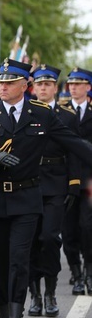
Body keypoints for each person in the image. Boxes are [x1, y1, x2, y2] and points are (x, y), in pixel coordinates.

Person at [0, 58, 92, 318]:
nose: (2, 86)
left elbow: (74, 144)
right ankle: (3, 317)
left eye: (9, 82)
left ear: (24, 85)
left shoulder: (41, 114)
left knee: (19, 260)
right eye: (0, 82)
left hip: (26, 199)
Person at [27, 64, 79, 317]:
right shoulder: (25, 112)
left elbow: (75, 150)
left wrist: (74, 183)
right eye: (39, 84)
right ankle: (34, 293)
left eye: (47, 84)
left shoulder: (67, 116)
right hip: (28, 182)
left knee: (49, 238)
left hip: (56, 182)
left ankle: (50, 291)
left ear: (55, 88)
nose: (43, 88)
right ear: (33, 87)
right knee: (29, 242)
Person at [62, 66, 92, 295]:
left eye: (79, 83)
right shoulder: (61, 113)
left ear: (88, 87)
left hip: (90, 178)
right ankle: (76, 271)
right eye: (71, 83)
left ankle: (89, 270)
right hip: (67, 178)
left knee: (87, 227)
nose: (73, 87)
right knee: (68, 230)